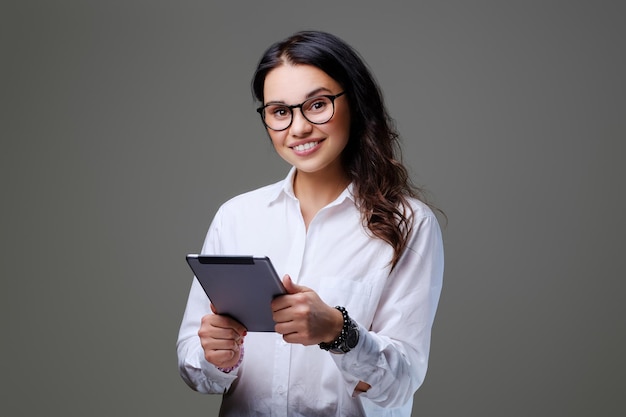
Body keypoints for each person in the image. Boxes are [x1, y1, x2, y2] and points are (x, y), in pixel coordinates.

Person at [177, 30, 444, 417]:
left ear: (354, 102)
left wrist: (340, 332)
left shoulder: (409, 224)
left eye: (317, 105)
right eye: (280, 112)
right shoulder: (236, 217)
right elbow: (194, 366)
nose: (298, 128)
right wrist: (215, 356)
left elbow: (399, 385)